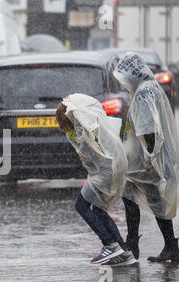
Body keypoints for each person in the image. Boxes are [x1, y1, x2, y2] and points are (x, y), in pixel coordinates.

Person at [113, 52, 179, 263]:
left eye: (124, 78)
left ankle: (161, 246)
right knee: (134, 197)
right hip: (143, 160)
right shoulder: (152, 87)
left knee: (151, 200)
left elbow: (148, 129)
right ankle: (139, 243)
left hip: (145, 162)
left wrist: (151, 159)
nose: (124, 83)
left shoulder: (143, 94)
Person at [55, 94, 136, 266]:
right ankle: (124, 251)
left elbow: (89, 151)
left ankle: (109, 244)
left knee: (81, 205)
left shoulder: (85, 130)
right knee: (99, 210)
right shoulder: (93, 125)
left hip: (104, 172)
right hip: (109, 169)